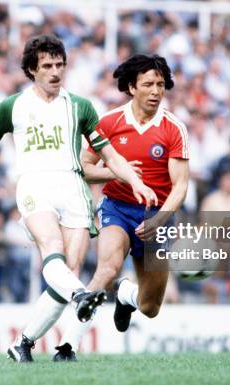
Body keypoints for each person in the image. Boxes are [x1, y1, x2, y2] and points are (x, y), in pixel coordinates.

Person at [0, 35, 157, 363]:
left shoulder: (81, 106)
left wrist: (134, 181)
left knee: (69, 270)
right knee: (52, 250)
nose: (55, 71)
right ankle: (81, 295)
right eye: (47, 65)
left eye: (60, 65)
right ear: (32, 70)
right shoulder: (12, 106)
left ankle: (23, 343)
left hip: (73, 190)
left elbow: (110, 156)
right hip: (34, 186)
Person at [55, 54, 189, 361]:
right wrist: (117, 171)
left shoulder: (173, 128)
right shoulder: (109, 122)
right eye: (148, 85)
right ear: (132, 87)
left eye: (160, 85)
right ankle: (68, 345)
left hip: (157, 214)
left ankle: (126, 295)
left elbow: (180, 185)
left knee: (151, 307)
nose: (156, 91)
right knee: (107, 268)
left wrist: (161, 220)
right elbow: (85, 167)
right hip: (117, 207)